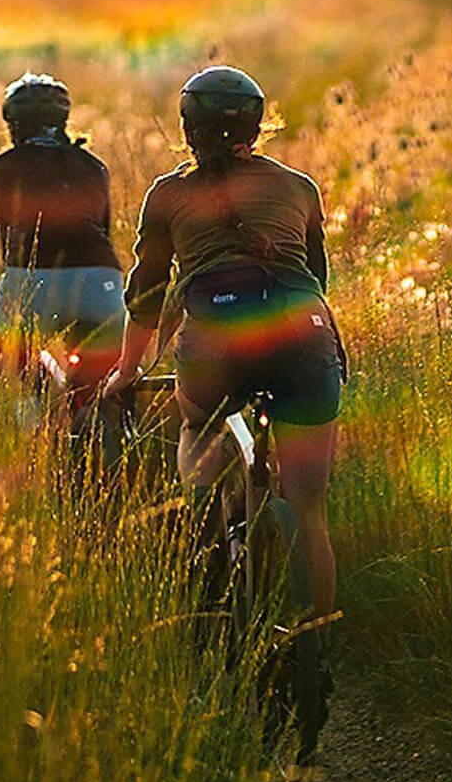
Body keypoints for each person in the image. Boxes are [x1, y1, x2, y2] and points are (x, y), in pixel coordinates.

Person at [104, 66, 345, 619]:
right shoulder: (297, 187)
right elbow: (316, 278)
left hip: (216, 342)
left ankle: (210, 540)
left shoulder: (166, 195)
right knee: (310, 511)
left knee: (196, 427)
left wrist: (126, 371)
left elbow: (146, 296)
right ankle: (318, 647)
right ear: (257, 128)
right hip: (303, 340)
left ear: (188, 127)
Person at [0, 72, 124, 377]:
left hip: (30, 283)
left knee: (16, 365)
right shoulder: (93, 166)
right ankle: (100, 412)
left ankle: (36, 405)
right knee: (99, 376)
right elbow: (105, 231)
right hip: (100, 281)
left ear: (13, 123)